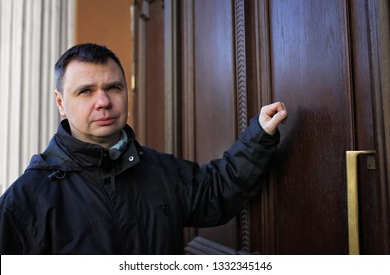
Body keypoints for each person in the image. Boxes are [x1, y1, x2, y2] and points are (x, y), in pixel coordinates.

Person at [0, 43, 288, 254]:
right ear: (61, 102)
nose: (103, 101)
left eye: (113, 87)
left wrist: (259, 135)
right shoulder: (26, 199)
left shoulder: (160, 170)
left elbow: (216, 191)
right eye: (86, 91)